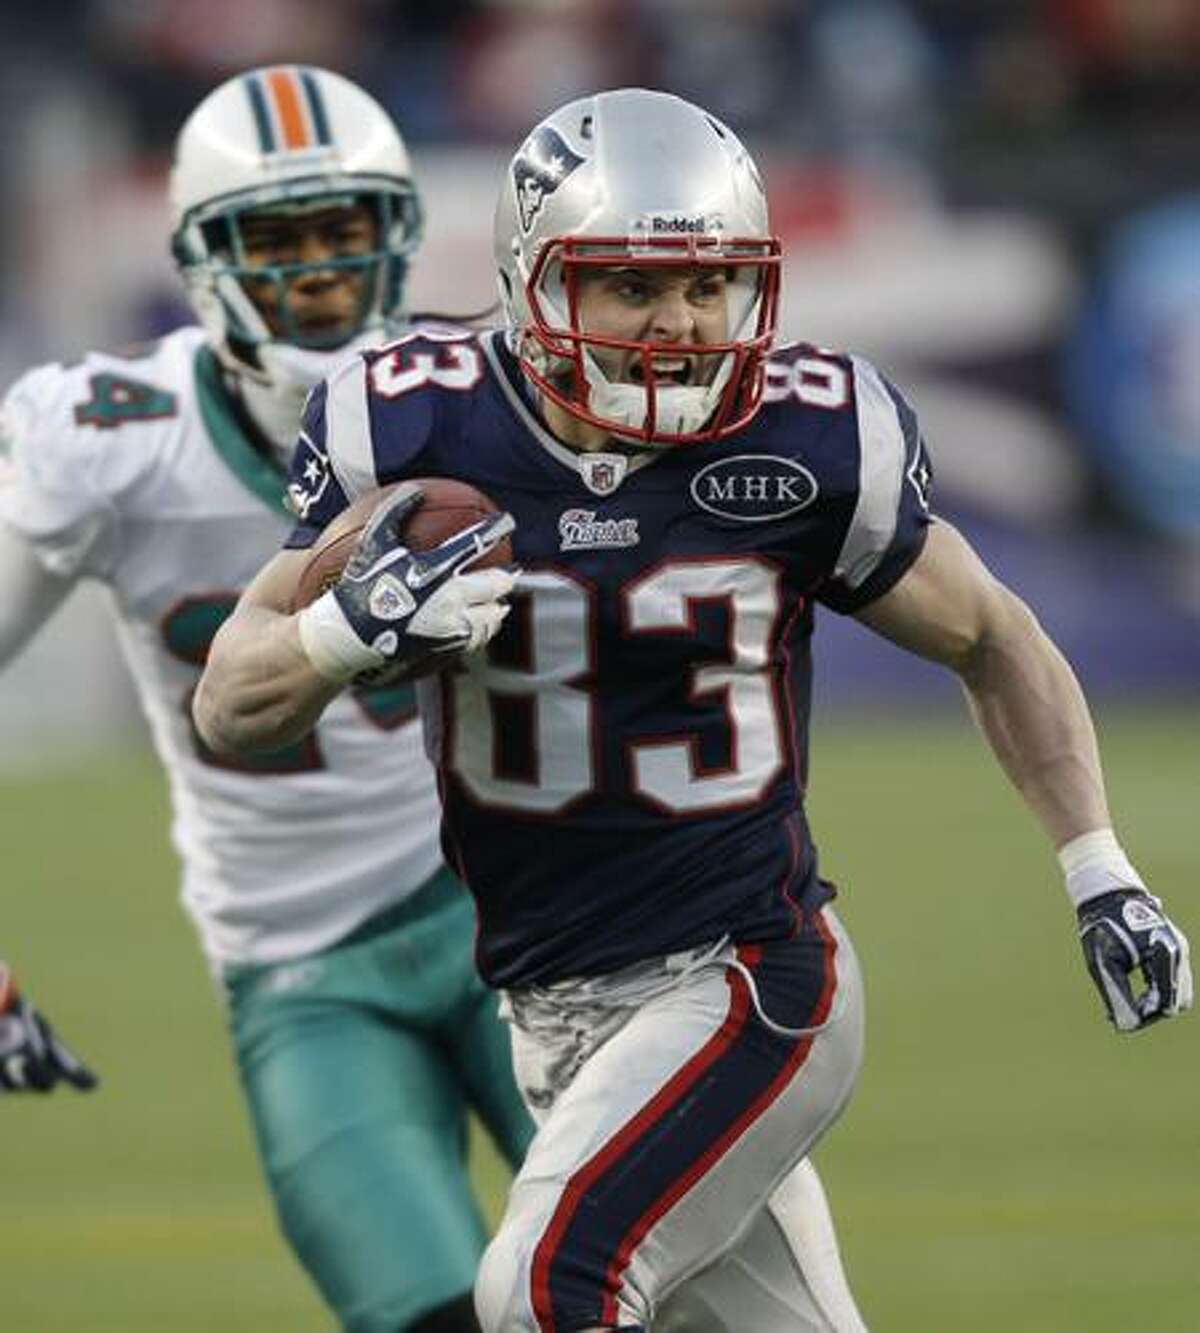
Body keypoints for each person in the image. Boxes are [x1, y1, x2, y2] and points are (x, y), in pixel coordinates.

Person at [193, 87, 1192, 1332]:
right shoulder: (410, 421)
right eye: (631, 284)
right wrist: (346, 632)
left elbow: (994, 636)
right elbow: (232, 705)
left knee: (547, 1286)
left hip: (747, 981)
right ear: (532, 279)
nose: (678, 322)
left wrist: (1099, 868)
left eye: (707, 286)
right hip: (548, 1006)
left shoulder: (813, 435)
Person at [0, 65, 539, 1333]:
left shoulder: (486, 397)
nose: (316, 271)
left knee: (678, 1287)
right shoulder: (110, 435)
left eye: (342, 232)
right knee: (427, 1317)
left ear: (396, 236)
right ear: (201, 257)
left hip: (527, 918)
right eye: (277, 237)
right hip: (303, 971)